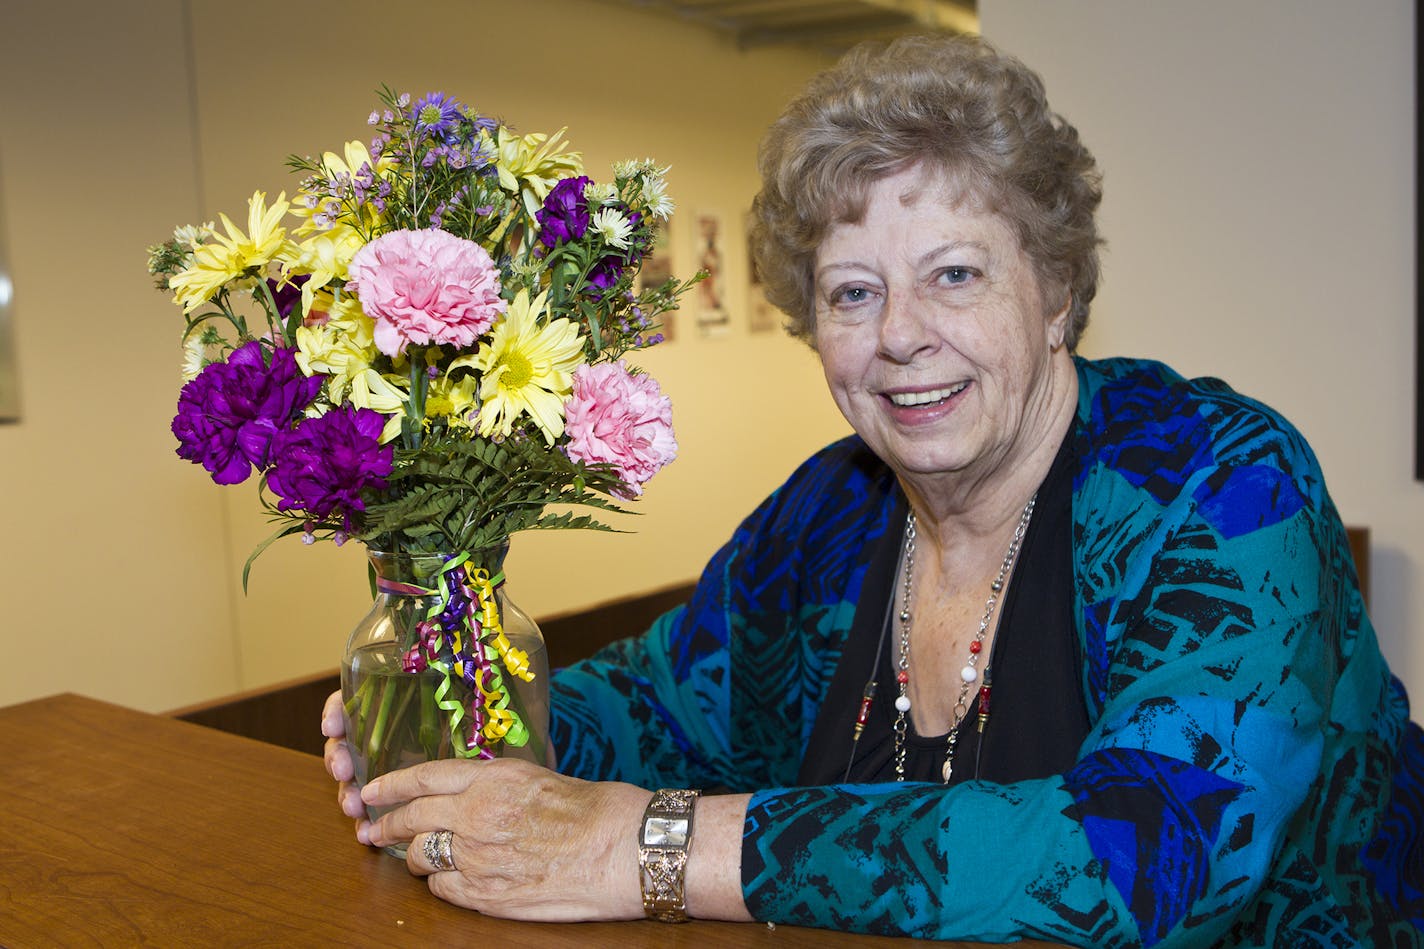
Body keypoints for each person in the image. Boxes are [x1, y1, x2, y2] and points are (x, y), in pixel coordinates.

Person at [322, 33, 1424, 945]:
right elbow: (657, 708)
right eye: (852, 292)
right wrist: (457, 705)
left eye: (953, 273)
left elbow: (1144, 856)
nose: (899, 335)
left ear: (1053, 293)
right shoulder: (828, 513)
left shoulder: (1220, 485)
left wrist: (647, 848)